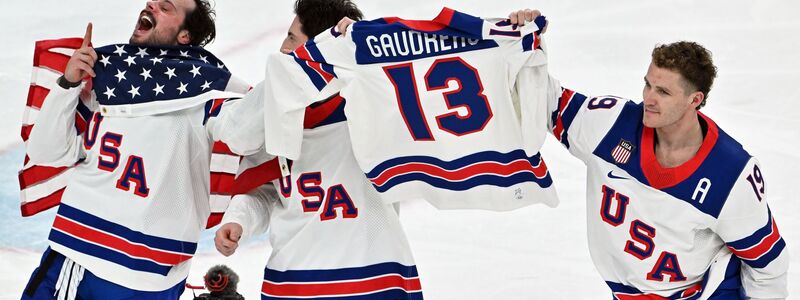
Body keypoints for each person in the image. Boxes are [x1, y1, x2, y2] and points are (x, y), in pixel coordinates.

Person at [507, 10, 789, 299]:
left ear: (695, 99)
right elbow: (542, 100)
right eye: (648, 84)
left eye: (663, 92)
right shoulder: (610, 124)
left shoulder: (731, 174)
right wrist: (522, 44)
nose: (648, 99)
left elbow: (768, 266)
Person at [22, 0, 264, 298]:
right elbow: (45, 152)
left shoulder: (208, 90)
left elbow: (245, 134)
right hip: (81, 256)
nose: (151, 4)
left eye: (166, 7)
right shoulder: (107, 74)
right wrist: (68, 83)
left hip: (153, 278)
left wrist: (284, 78)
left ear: (184, 35)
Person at [214, 1, 425, 299]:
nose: (283, 48)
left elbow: (433, 65)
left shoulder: (373, 104)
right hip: (294, 282)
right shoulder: (271, 114)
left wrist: (370, 43)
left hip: (375, 278)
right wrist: (239, 219)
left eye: (292, 39)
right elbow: (264, 187)